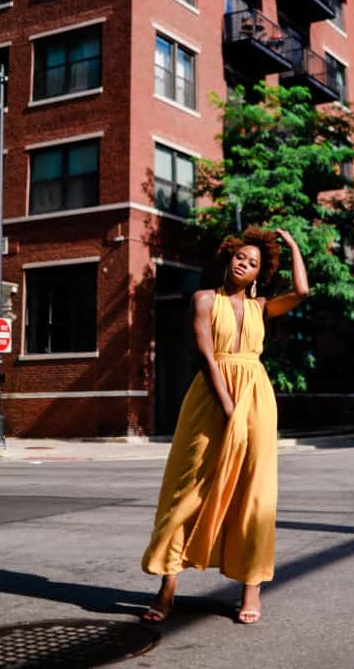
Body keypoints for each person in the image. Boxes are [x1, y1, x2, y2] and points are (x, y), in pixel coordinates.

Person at [141, 225, 309, 625]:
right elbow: (206, 357)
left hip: (256, 399)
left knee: (255, 493)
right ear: (229, 259)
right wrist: (229, 407)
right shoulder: (203, 300)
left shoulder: (262, 307)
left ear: (258, 273)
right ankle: (167, 589)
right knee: (188, 488)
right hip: (210, 400)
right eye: (240, 257)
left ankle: (251, 589)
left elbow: (302, 292)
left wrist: (293, 245)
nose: (244, 264)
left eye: (253, 263)